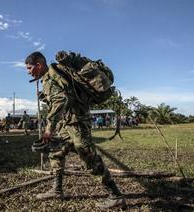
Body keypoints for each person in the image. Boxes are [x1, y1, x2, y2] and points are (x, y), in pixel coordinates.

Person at [25, 52, 126, 209]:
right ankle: (56, 189)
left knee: (89, 159)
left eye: (29, 68)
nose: (28, 72)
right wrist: (46, 98)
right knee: (56, 151)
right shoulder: (55, 74)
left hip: (77, 124)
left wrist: (48, 130)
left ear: (39, 65)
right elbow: (66, 97)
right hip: (69, 124)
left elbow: (60, 100)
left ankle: (115, 195)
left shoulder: (50, 78)